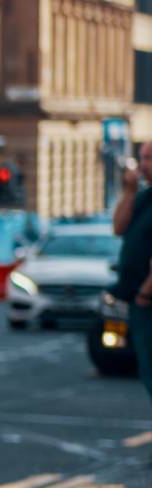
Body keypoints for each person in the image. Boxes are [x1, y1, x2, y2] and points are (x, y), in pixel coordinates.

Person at [112, 142, 152, 404]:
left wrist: (145, 294)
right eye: (142, 158)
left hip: (148, 301)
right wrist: (128, 190)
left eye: (150, 158)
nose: (143, 165)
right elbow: (118, 227)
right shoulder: (144, 197)